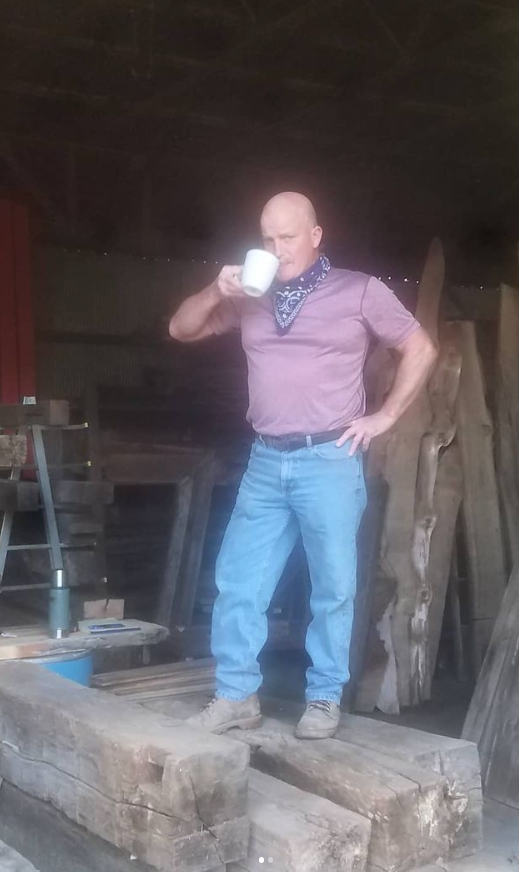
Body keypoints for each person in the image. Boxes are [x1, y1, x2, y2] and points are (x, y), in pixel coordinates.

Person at [168, 192, 437, 738]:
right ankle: (237, 694)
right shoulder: (249, 292)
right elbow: (182, 329)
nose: (276, 248)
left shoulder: (360, 290)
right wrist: (213, 289)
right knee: (240, 581)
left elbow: (422, 348)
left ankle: (322, 698)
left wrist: (384, 417)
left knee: (333, 587)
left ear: (316, 236)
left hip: (328, 460)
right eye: (267, 238)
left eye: (287, 237)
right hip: (266, 459)